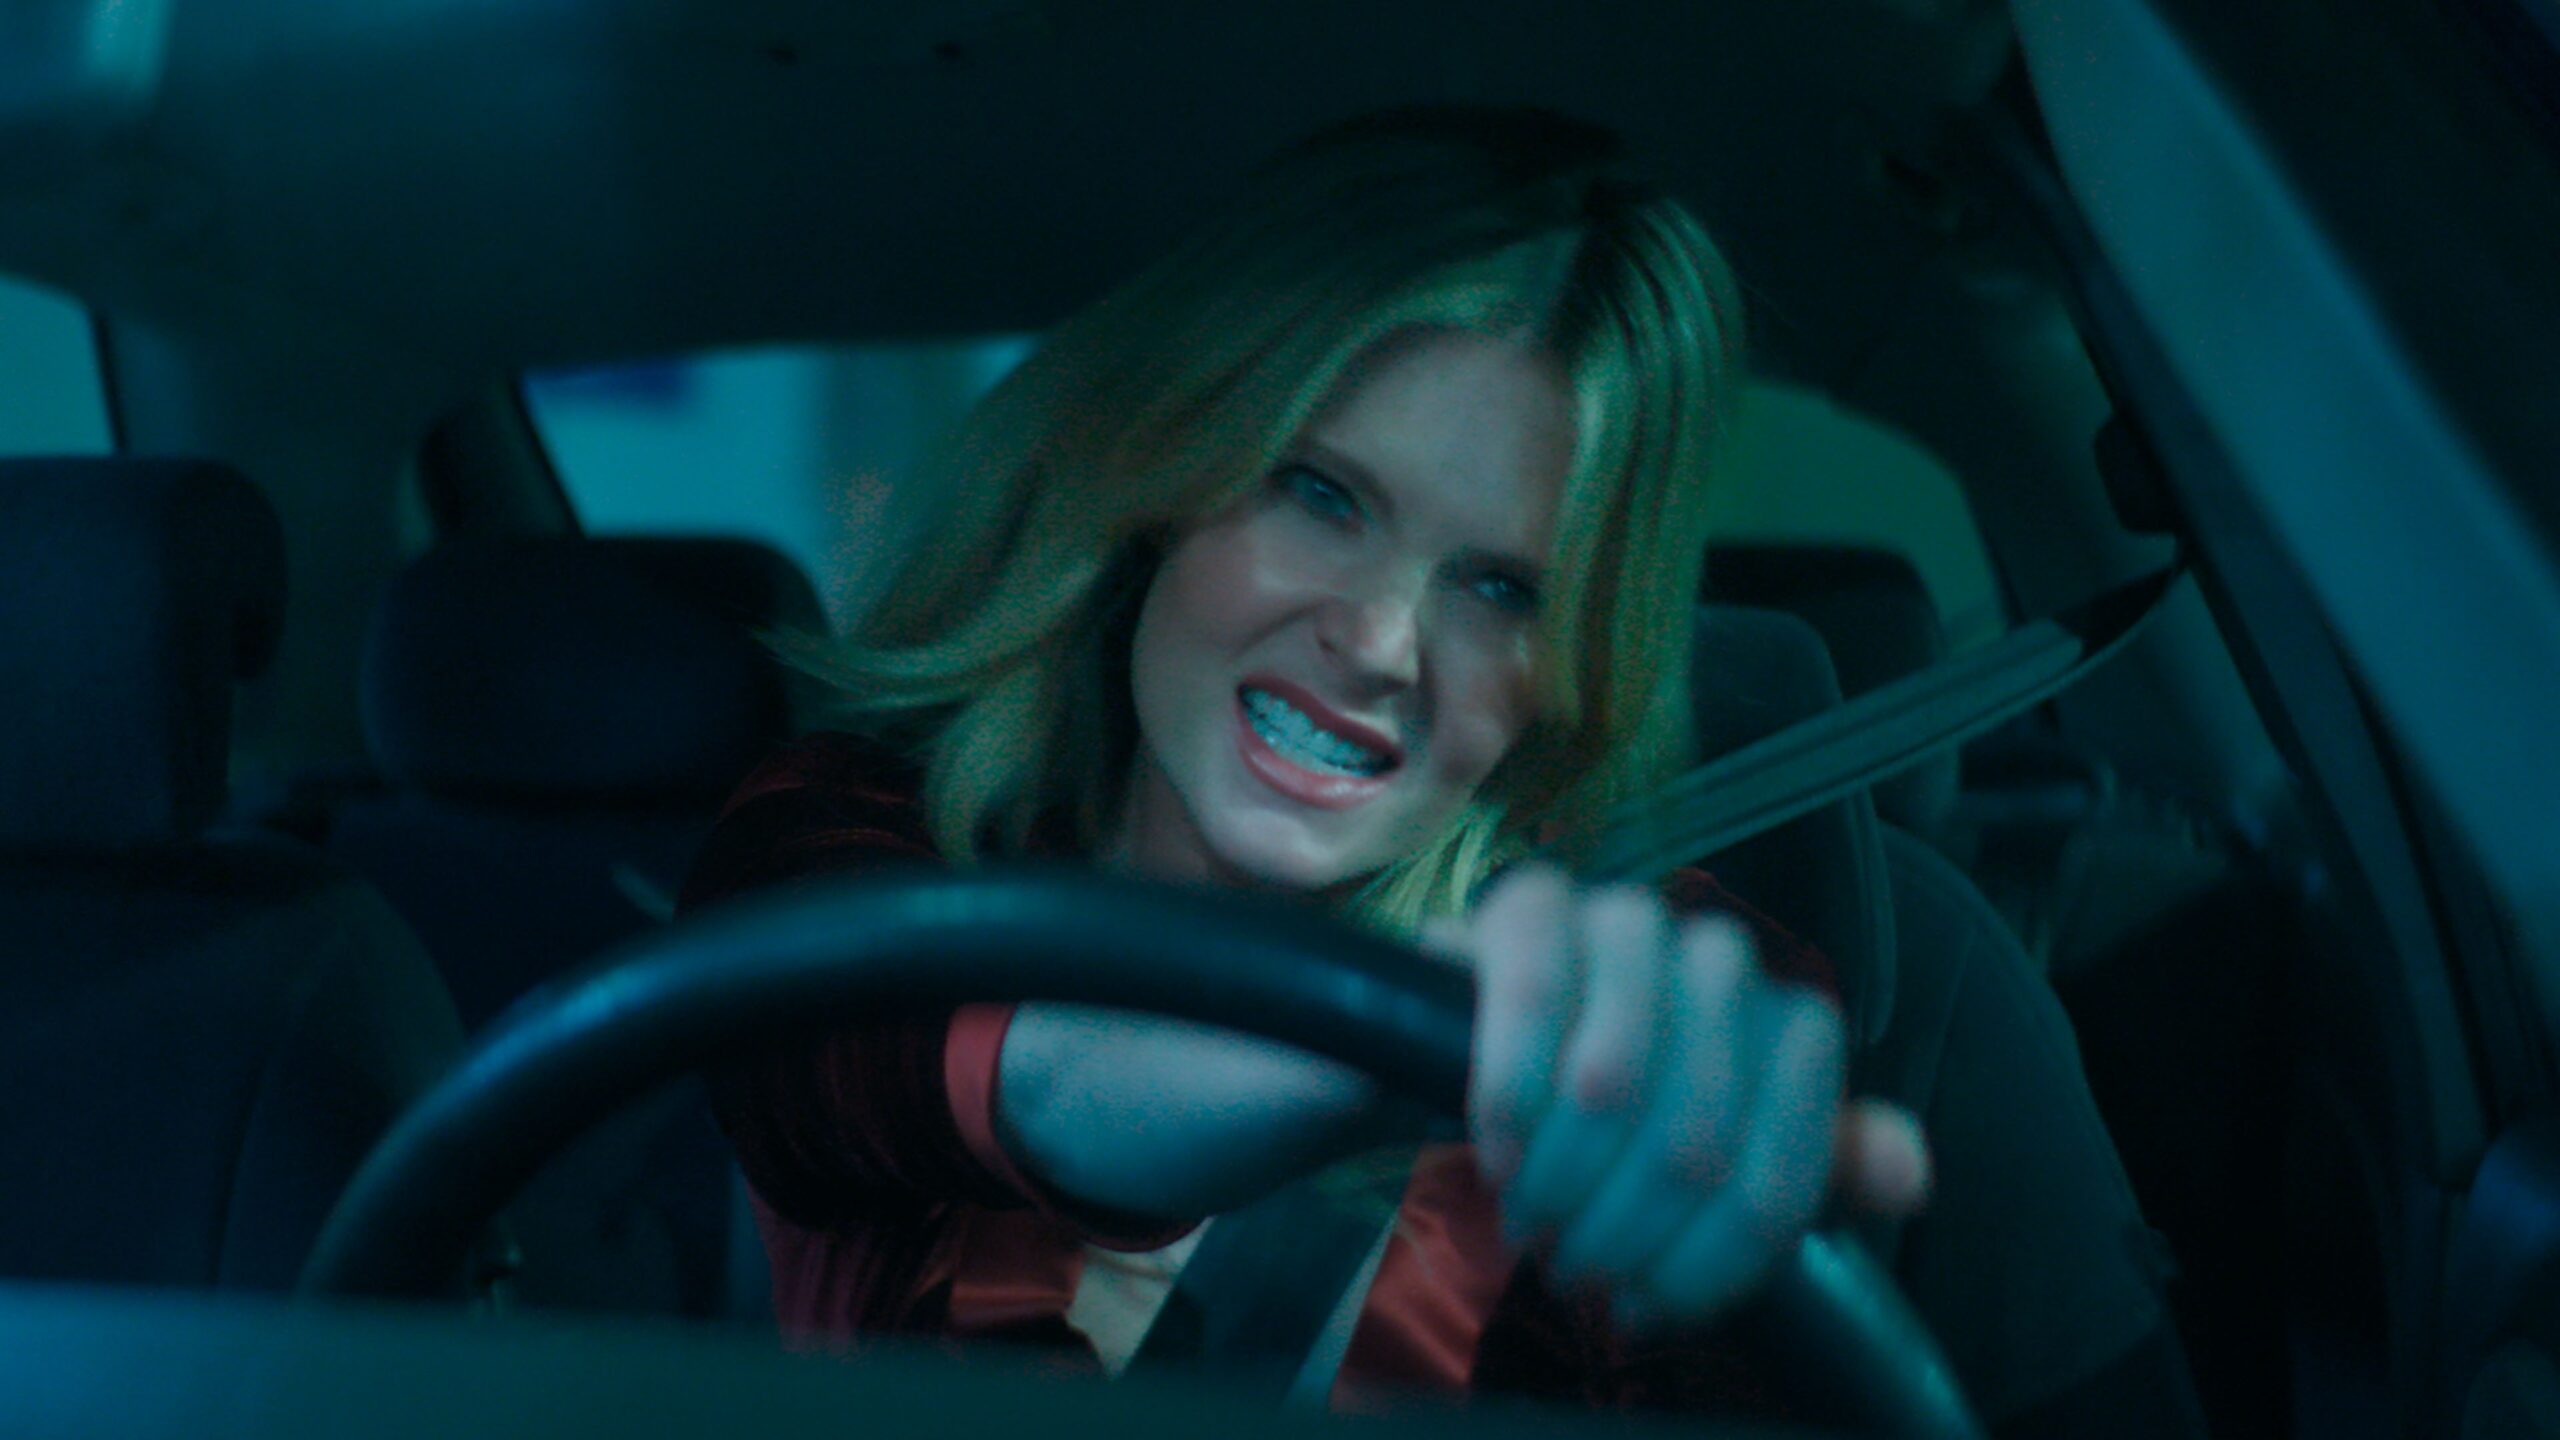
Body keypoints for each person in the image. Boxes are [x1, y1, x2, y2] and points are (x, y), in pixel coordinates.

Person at [681, 106, 2201, 1434]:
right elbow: (1034, 1080)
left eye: (1498, 588)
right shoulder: (848, 843)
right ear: (1160, 468)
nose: (1380, 642)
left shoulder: (1683, 1011)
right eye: (1320, 493)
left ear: (1571, 670)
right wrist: (1418, 1032)